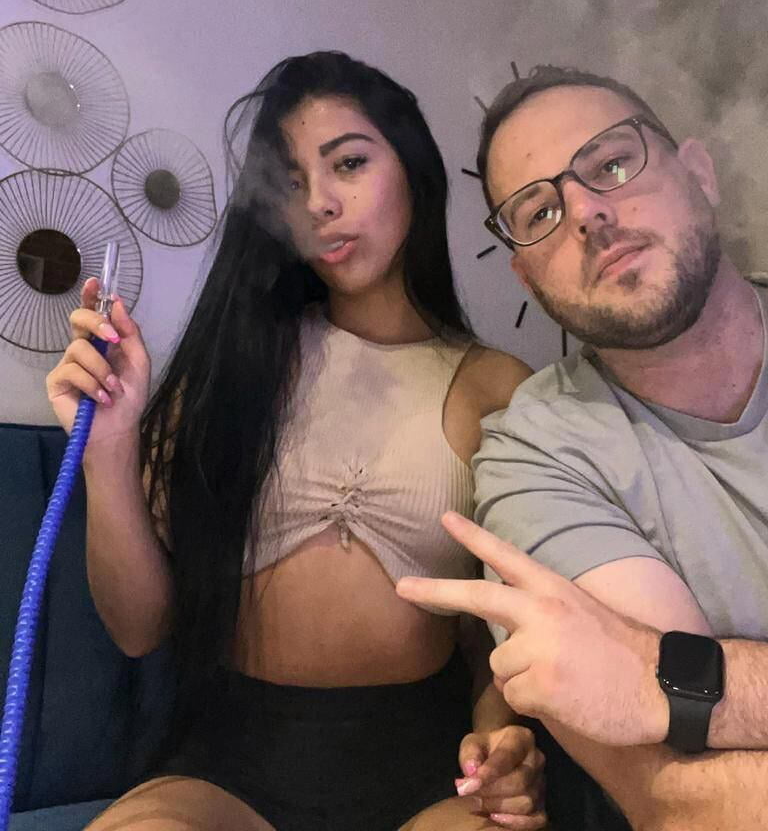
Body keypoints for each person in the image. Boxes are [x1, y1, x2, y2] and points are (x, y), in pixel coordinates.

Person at [46, 52, 545, 831]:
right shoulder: (230, 369)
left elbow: (496, 637)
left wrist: (502, 738)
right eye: (289, 181)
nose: (319, 203)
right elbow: (138, 630)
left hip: (428, 769)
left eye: (349, 163)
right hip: (229, 768)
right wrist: (109, 448)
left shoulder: (497, 387)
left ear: (414, 170)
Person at [396, 64, 768, 831]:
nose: (588, 214)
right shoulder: (535, 457)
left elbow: (663, 697)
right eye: (539, 211)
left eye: (612, 164)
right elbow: (687, 798)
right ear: (526, 277)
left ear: (699, 174)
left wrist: (658, 676)